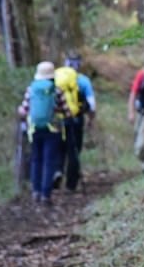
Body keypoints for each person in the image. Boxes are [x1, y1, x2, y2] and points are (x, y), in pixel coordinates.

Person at [18, 61, 71, 205]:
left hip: (34, 129)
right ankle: (46, 195)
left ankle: (36, 191)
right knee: (49, 161)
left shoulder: (31, 89)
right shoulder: (57, 90)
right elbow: (67, 112)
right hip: (53, 130)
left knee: (36, 159)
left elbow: (23, 110)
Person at [54, 52, 97, 192]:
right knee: (74, 150)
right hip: (76, 119)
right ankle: (71, 184)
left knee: (59, 149)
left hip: (56, 120)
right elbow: (91, 103)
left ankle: (57, 171)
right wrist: (91, 119)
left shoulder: (56, 77)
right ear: (79, 64)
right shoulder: (83, 80)